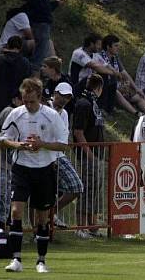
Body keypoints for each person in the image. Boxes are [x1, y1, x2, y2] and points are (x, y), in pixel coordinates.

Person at [0, 78, 69, 273]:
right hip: (21, 168)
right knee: (16, 212)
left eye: (31, 101)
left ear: (40, 98)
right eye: (24, 100)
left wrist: (42, 144)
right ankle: (16, 260)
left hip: (44, 169)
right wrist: (18, 144)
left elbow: (63, 144)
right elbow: (3, 139)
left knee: (42, 218)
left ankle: (41, 261)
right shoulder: (16, 114)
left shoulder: (52, 116)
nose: (27, 105)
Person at [71, 74, 105, 238]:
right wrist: (89, 154)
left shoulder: (93, 103)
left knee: (95, 190)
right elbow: (78, 131)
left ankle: (93, 226)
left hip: (96, 154)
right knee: (86, 189)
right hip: (87, 155)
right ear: (99, 88)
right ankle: (81, 227)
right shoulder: (84, 104)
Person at [48, 82, 84, 229]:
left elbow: (63, 137)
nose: (64, 100)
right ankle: (40, 227)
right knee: (41, 195)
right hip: (43, 155)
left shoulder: (64, 113)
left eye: (67, 97)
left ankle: (51, 213)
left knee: (76, 186)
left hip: (58, 155)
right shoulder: (44, 108)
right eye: (62, 95)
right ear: (55, 93)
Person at [25, 0, 64, 70]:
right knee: (40, 52)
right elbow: (41, 7)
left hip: (43, 22)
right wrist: (54, 3)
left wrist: (56, 3)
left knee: (42, 49)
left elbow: (46, 6)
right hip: (40, 22)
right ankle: (34, 71)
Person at [98, 34, 145, 114]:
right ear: (108, 47)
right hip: (105, 87)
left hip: (117, 84)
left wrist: (136, 88)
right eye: (116, 46)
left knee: (138, 96)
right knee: (116, 92)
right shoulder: (100, 56)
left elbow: (124, 73)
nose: (118, 48)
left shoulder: (115, 57)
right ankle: (136, 113)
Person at [0, 36, 32, 111]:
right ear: (21, 47)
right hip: (17, 100)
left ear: (8, 45)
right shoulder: (26, 63)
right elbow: (27, 83)